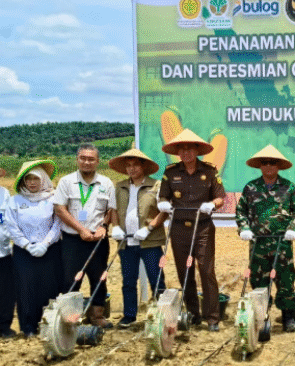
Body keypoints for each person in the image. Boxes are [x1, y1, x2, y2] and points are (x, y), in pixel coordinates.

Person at [158, 129, 225, 332]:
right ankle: (193, 314)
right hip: (179, 228)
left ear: (197, 151)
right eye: (182, 149)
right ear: (178, 152)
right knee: (184, 272)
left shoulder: (210, 171)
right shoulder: (171, 172)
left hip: (203, 228)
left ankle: (212, 318)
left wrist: (212, 204)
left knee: (206, 271)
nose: (186, 152)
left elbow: (220, 197)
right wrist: (163, 204)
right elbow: (163, 196)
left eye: (190, 149)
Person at [236, 145, 295, 333]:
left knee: (286, 280)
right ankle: (261, 314)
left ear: (278, 166)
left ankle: (288, 317)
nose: (268, 166)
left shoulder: (289, 187)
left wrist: (293, 228)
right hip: (258, 244)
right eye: (265, 163)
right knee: (258, 280)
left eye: (272, 163)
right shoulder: (250, 188)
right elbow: (241, 211)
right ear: (260, 165)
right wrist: (244, 228)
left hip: (282, 243)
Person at [53, 144, 116, 329]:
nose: (87, 162)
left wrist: (104, 226)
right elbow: (60, 209)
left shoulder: (106, 183)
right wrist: (81, 229)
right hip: (73, 240)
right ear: (77, 160)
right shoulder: (66, 182)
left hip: (98, 241)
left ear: (97, 161)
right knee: (71, 279)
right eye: (83, 158)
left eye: (91, 159)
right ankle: (70, 319)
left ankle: (97, 316)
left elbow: (111, 210)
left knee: (99, 278)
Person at [108, 149, 168, 328]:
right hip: (126, 242)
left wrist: (149, 228)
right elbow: (113, 210)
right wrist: (115, 226)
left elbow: (164, 212)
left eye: (135, 165)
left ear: (144, 167)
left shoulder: (156, 186)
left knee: (156, 279)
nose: (131, 169)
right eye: (128, 165)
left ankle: (163, 315)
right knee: (128, 281)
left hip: (150, 241)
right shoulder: (119, 187)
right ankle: (129, 315)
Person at [7, 160, 62, 338]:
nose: (32, 182)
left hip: (49, 250)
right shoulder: (15, 201)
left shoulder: (53, 198)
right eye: (28, 179)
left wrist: (45, 243)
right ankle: (28, 327)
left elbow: (57, 224)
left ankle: (49, 324)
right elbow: (11, 226)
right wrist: (26, 245)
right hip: (24, 252)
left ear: (43, 179)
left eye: (36, 178)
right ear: (23, 181)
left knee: (49, 287)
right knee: (26, 288)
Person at [0, 168, 13, 339]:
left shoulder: (4, 194)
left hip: (3, 253)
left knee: (6, 292)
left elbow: (9, 221)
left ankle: (4, 327)